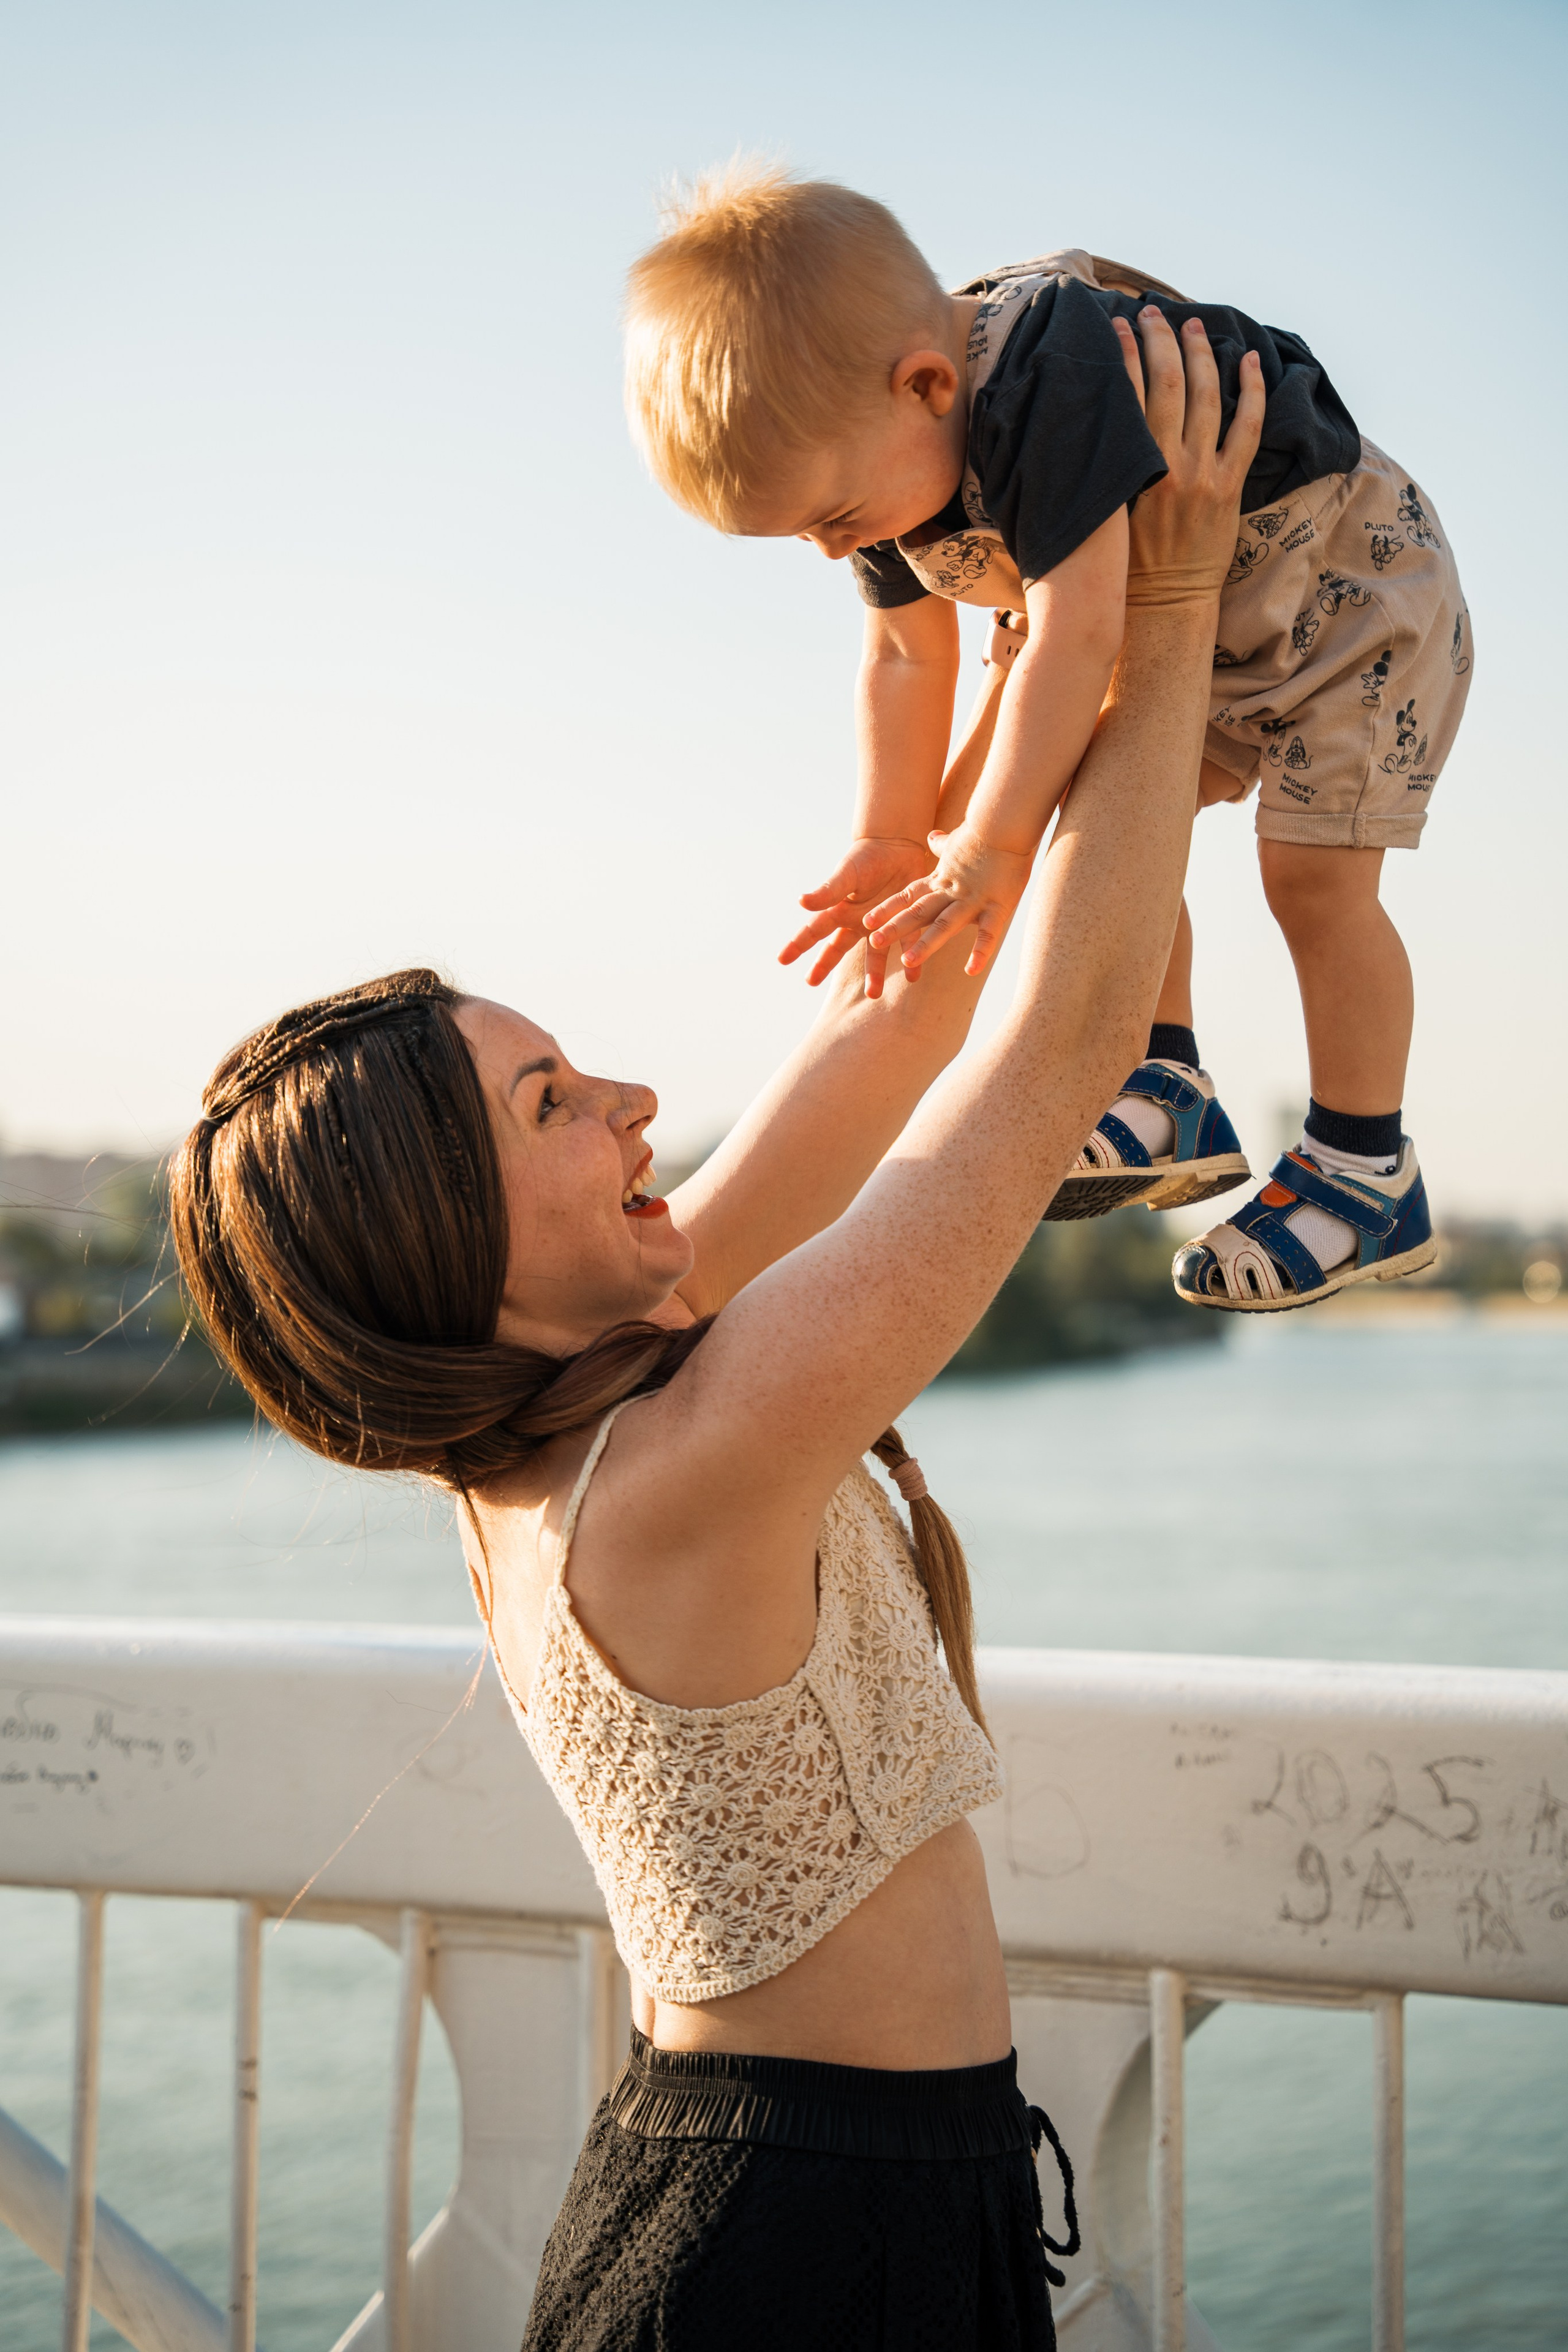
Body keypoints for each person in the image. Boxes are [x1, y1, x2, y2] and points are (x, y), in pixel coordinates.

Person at [169, 314, 1261, 2350]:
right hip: (790, 2239)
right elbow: (1053, 1070)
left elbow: (910, 1025)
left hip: (811, 2186)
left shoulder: (583, 1393)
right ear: (443, 1247)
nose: (637, 1104)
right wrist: (1175, 595)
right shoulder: (680, 1466)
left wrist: (1012, 715)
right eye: (554, 1106)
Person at [624, 164, 1471, 1311]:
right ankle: (1166, 1073)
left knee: (1313, 882)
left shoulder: (1043, 378)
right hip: (1201, 613)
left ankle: (1365, 1165)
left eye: (830, 520)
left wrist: (988, 846)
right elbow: (904, 654)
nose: (831, 552)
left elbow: (1077, 639)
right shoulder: (878, 439)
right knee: (1111, 802)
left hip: (1345, 599)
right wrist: (890, 837)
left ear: (927, 385)